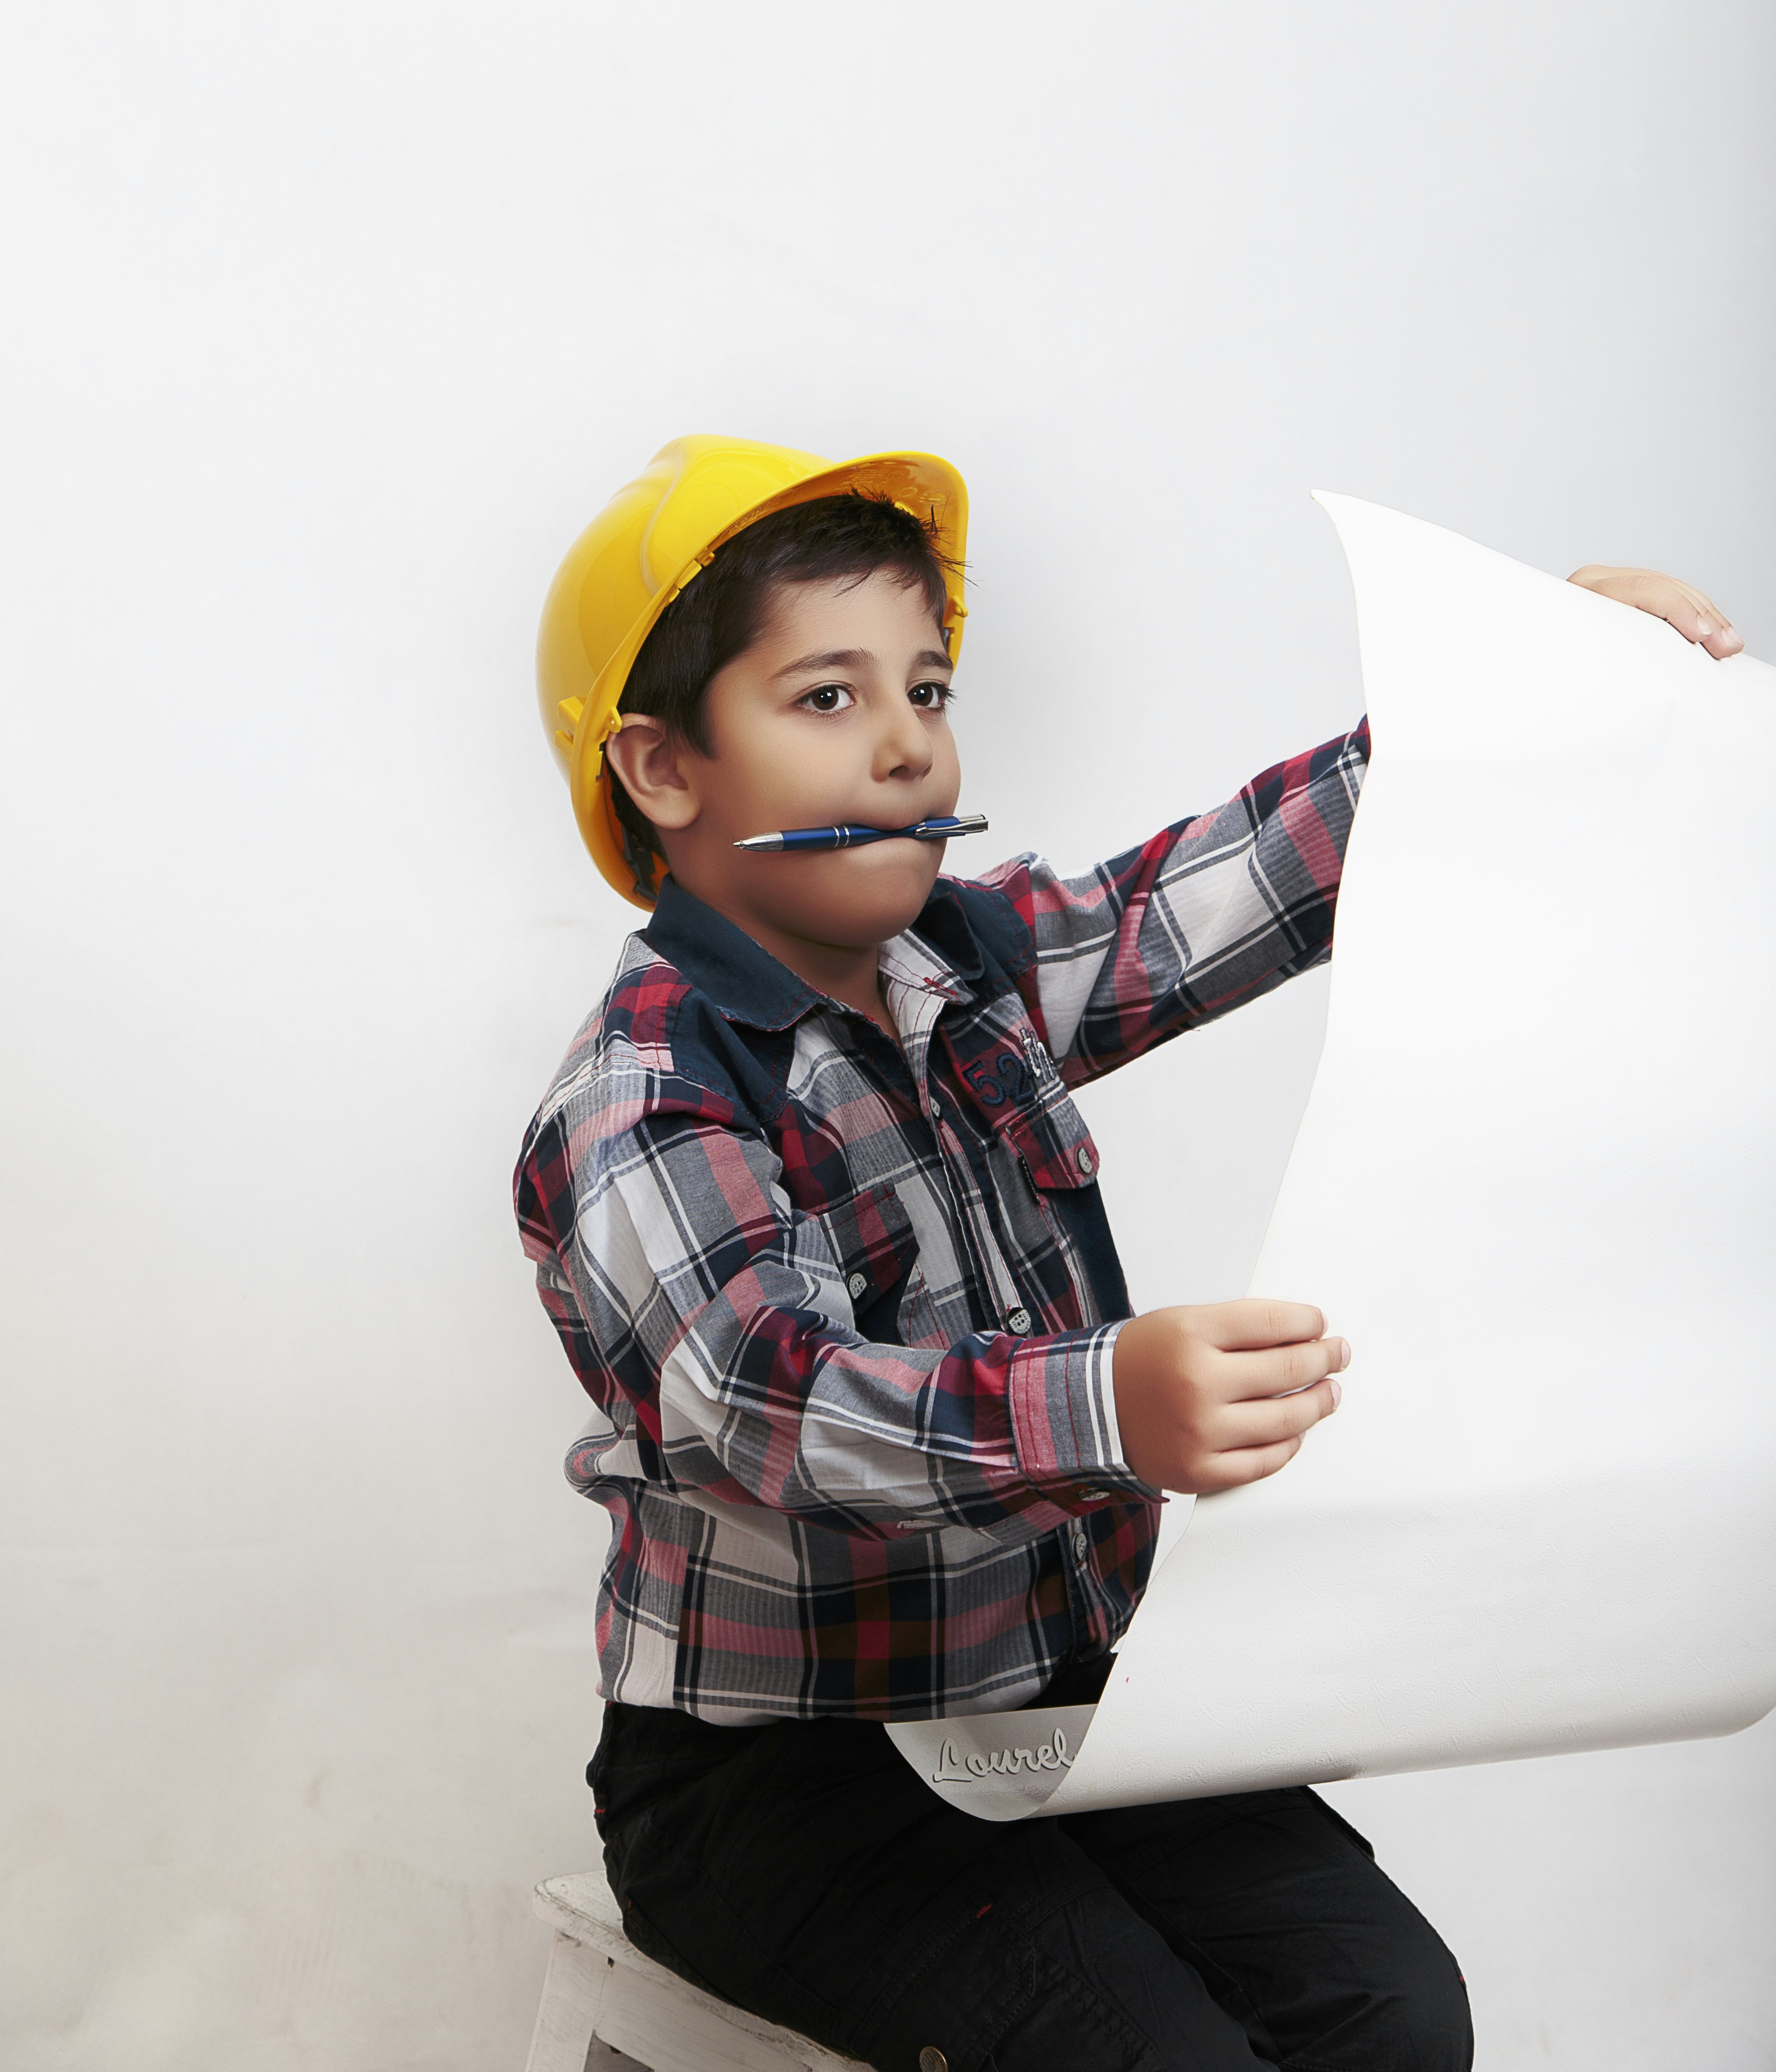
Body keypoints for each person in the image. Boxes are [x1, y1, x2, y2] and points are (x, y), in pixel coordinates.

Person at [514, 435, 1741, 2072]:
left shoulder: (969, 966)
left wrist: (1509, 711)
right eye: (827, 699)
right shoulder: (647, 1093)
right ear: (665, 770)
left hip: (1069, 1703)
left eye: (929, 690)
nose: (906, 750)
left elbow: (1210, 896)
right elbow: (771, 1396)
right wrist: (1106, 1406)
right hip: (781, 1777)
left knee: (1396, 2016)